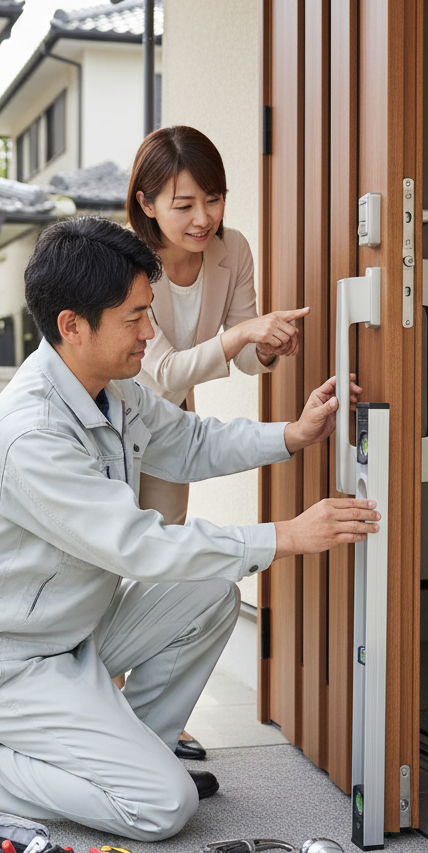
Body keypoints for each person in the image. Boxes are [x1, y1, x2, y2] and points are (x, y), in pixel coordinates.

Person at [0, 217, 376, 843]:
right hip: (4, 663)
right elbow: (140, 545)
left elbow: (189, 441)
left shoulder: (112, 387)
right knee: (164, 808)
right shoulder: (30, 434)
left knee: (209, 591)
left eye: (149, 313)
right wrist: (284, 536)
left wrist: (293, 435)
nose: (151, 334)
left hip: (74, 633)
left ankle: (133, 758)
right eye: (135, 318)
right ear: (72, 325)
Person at [126, 125, 307, 760]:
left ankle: (156, 717)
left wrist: (267, 344)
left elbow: (246, 356)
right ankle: (105, 714)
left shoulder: (234, 251)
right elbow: (163, 369)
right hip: (111, 428)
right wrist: (239, 340)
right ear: (146, 204)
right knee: (110, 566)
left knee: (163, 569)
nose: (205, 218)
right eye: (184, 204)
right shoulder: (126, 261)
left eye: (215, 198)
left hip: (170, 429)